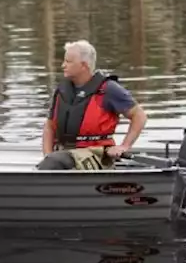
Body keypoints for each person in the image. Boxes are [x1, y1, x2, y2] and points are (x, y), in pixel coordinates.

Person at [39, 40, 148, 170]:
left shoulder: (109, 89)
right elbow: (49, 127)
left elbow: (139, 116)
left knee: (54, 162)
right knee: (52, 161)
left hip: (95, 154)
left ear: (84, 65)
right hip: (63, 155)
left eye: (68, 62)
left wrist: (124, 146)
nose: (63, 65)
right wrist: (47, 156)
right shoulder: (62, 91)